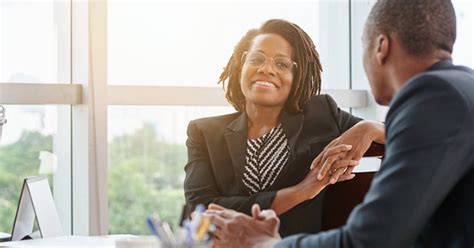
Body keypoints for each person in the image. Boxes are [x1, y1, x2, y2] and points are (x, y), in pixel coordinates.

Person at [205, 0, 474, 247]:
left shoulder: (434, 97)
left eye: (362, 47)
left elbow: (368, 241)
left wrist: (266, 244)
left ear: (381, 47)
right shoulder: (461, 89)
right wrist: (368, 127)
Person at [184, 19, 384, 237]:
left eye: (282, 64)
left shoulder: (322, 115)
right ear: (241, 65)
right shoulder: (204, 133)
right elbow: (200, 209)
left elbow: (408, 134)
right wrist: (302, 191)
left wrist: (369, 127)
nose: (266, 69)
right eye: (257, 59)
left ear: (297, 76)